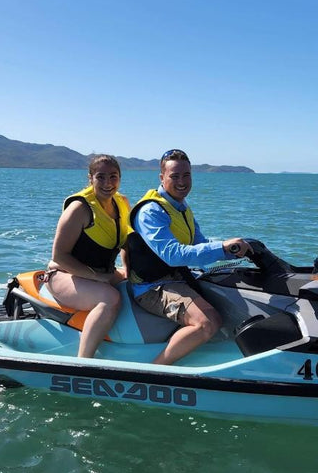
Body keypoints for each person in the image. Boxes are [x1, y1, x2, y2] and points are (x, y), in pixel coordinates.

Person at [126, 149, 251, 365]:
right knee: (208, 322)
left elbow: (200, 244)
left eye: (186, 175)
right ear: (162, 177)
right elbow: (173, 255)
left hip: (179, 279)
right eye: (175, 176)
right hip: (153, 287)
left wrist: (235, 250)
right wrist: (222, 248)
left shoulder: (181, 207)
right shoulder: (151, 212)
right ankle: (155, 370)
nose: (182, 182)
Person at [47, 155, 130, 358]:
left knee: (138, 286)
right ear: (90, 178)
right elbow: (59, 256)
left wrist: (128, 270)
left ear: (120, 178)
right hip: (63, 275)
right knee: (110, 299)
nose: (107, 183)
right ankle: (84, 360)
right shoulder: (80, 208)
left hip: (101, 273)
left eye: (113, 176)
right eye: (100, 177)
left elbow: (127, 242)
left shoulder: (122, 203)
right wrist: (97, 277)